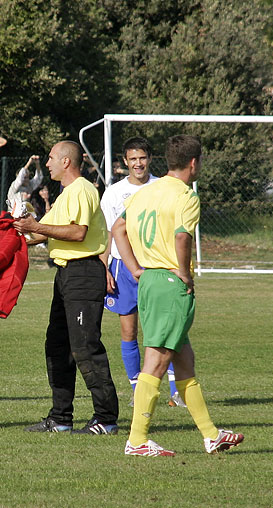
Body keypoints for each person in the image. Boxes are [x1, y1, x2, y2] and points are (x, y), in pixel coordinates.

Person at [112, 135, 244, 456]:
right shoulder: (186, 195)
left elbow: (118, 229)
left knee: (184, 359)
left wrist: (135, 269)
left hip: (150, 281)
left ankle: (211, 435)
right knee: (157, 360)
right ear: (194, 163)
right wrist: (184, 272)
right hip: (171, 283)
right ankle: (138, 440)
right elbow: (182, 235)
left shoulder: (146, 192)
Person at [13, 141, 119, 434]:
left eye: (50, 158)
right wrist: (4, 244)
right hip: (66, 275)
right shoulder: (65, 195)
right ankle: (60, 418)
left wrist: (35, 228)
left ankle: (106, 419)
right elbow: (44, 233)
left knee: (85, 347)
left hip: (84, 272)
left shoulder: (83, 190)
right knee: (57, 346)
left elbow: (76, 232)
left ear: (66, 162)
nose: (46, 164)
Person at [100, 137, 185, 408]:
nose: (138, 163)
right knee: (129, 330)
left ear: (150, 159)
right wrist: (104, 268)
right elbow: (108, 233)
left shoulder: (162, 187)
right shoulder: (114, 192)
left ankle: (176, 390)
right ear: (125, 161)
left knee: (164, 329)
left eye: (142, 158)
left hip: (156, 265)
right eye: (132, 159)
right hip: (123, 269)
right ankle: (138, 389)